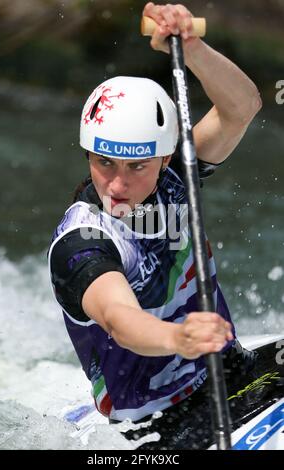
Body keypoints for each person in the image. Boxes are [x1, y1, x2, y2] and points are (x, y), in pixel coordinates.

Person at [48, 3, 262, 449]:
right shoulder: (82, 244)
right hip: (155, 428)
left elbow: (242, 107)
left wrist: (193, 47)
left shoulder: (175, 176)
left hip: (230, 375)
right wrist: (178, 338)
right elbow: (122, 320)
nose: (118, 183)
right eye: (104, 162)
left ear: (165, 157)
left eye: (137, 165)